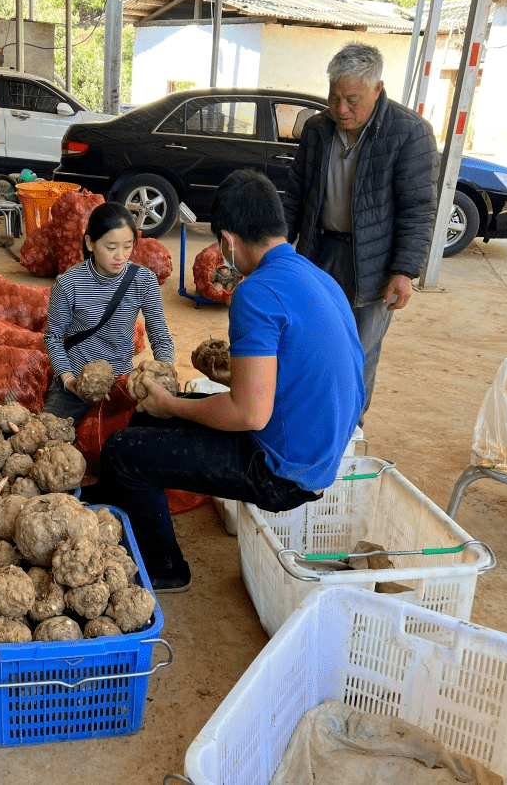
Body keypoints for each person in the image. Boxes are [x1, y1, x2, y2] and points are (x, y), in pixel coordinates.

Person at [84, 169, 364, 592]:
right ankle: (107, 515)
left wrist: (172, 405)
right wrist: (233, 374)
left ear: (228, 241)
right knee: (147, 423)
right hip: (321, 453)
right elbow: (307, 365)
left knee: (125, 450)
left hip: (282, 471)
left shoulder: (256, 292)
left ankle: (166, 569)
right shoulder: (317, 276)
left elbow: (248, 412)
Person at [282, 42, 439, 422]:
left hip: (372, 262)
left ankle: (349, 427)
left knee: (359, 348)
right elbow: (296, 194)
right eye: (334, 97)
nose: (340, 109)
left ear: (377, 89)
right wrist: (274, 249)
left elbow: (418, 209)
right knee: (308, 339)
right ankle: (306, 421)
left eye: (352, 99)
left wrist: (404, 271)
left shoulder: (409, 133)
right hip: (319, 252)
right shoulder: (318, 129)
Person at [43, 201, 175, 424]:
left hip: (123, 382)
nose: (120, 256)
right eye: (111, 247)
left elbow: (160, 337)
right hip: (77, 382)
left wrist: (164, 375)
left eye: (128, 246)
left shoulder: (144, 281)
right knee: (48, 434)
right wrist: (68, 381)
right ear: (90, 243)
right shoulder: (69, 283)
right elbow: (53, 337)